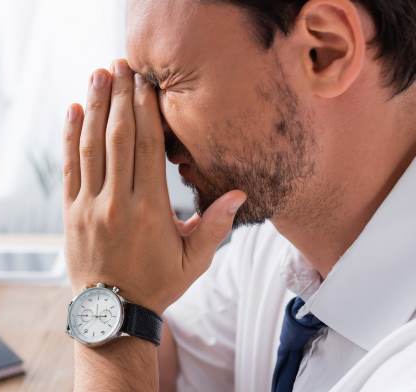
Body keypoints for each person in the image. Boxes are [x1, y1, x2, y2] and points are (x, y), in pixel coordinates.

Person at [61, 0, 416, 391]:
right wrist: (124, 283)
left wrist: (113, 303)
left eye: (167, 81)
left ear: (325, 51)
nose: (154, 133)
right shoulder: (280, 244)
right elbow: (171, 358)